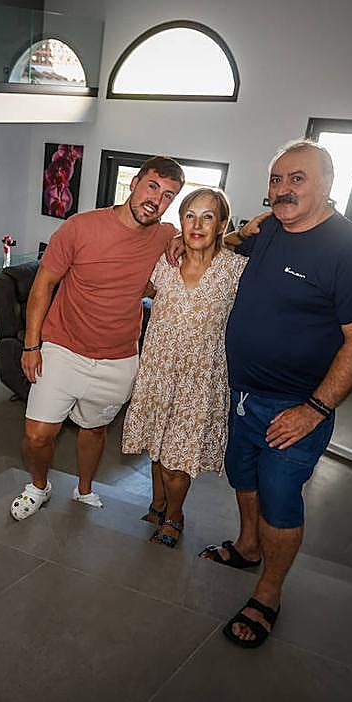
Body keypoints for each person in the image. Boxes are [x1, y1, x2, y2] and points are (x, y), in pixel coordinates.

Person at [201, 139, 352, 649]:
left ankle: (268, 592)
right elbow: (225, 246)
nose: (283, 189)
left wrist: (315, 410)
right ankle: (247, 547)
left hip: (295, 407)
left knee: (280, 501)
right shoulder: (269, 232)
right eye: (276, 179)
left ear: (327, 184)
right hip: (242, 394)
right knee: (242, 476)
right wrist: (235, 232)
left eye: (297, 179)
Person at [11, 156, 185, 520]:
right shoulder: (81, 227)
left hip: (119, 358)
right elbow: (43, 284)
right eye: (152, 187)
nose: (157, 200)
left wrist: (189, 238)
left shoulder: (165, 236)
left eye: (168, 195)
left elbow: (204, 242)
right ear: (134, 183)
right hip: (62, 348)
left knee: (94, 429)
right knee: (37, 434)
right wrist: (31, 344)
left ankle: (85, 490)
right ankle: (39, 486)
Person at [121, 188, 247, 547]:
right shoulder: (164, 264)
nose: (197, 225)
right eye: (190, 216)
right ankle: (158, 505)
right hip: (158, 374)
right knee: (158, 449)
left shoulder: (236, 270)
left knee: (176, 460)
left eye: (208, 217)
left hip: (200, 382)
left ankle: (175, 516)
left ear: (222, 224)